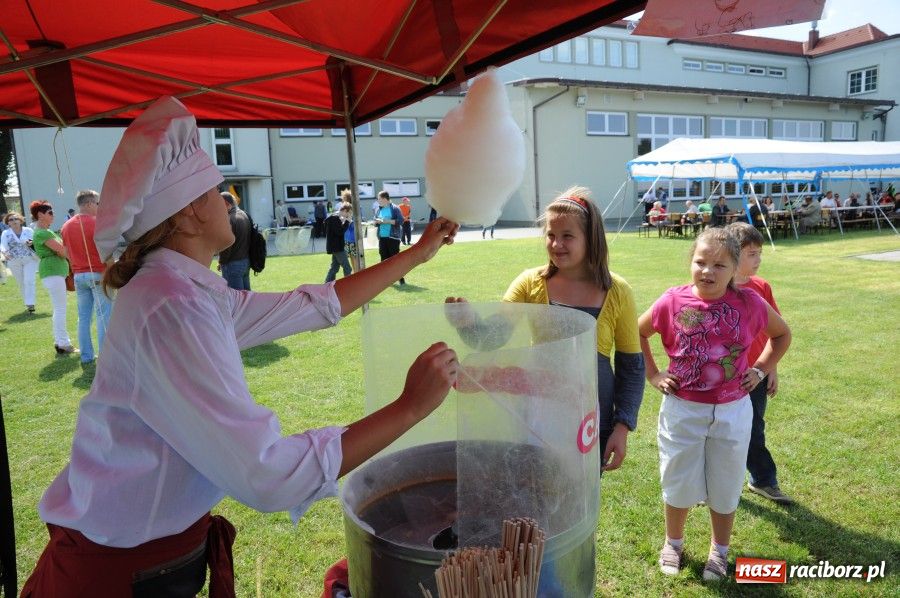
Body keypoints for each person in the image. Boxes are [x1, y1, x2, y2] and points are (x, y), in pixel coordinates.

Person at [21, 96, 460, 597]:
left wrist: (417, 254)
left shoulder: (181, 291)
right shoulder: (171, 307)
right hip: (118, 578)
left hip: (142, 563)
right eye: (214, 190)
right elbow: (266, 473)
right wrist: (409, 409)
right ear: (186, 214)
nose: (227, 198)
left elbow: (313, 304)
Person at [446, 187, 645, 474]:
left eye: (567, 236)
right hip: (536, 412)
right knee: (533, 482)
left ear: (591, 239)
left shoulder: (617, 291)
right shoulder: (530, 282)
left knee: (578, 491)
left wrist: (622, 426)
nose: (556, 244)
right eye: (551, 235)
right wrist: (467, 323)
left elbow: (632, 367)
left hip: (589, 417)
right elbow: (493, 336)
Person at [638, 228, 790, 582]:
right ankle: (673, 543)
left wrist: (761, 368)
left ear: (735, 268)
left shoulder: (751, 302)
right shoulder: (672, 302)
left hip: (733, 412)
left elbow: (782, 334)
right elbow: (639, 331)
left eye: (719, 265)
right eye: (700, 262)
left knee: (725, 483)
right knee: (677, 479)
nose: (707, 271)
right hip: (682, 411)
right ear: (690, 262)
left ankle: (719, 552)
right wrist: (653, 374)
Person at [727, 222, 793, 505]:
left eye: (759, 252)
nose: (758, 259)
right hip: (726, 375)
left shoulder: (761, 287)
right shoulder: (717, 286)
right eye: (751, 253)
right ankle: (709, 483)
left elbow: (775, 333)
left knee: (754, 427)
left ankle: (763, 480)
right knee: (718, 431)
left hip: (755, 375)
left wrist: (770, 369)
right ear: (731, 253)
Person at [60, 189, 113, 365]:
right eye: (98, 203)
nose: (100, 207)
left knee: (83, 317)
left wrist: (77, 266)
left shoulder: (66, 225)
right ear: (89, 203)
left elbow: (66, 252)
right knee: (103, 316)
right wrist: (113, 272)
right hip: (98, 273)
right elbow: (107, 252)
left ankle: (86, 356)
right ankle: (105, 357)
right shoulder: (98, 223)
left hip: (79, 275)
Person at [30, 200, 77, 355]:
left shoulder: (46, 231)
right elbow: (62, 251)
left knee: (59, 308)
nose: (53, 215)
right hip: (52, 272)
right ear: (40, 215)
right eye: (50, 212)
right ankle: (63, 343)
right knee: (60, 308)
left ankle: (60, 342)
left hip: (54, 272)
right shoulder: (43, 232)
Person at [1, 211, 39, 312]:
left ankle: (31, 303)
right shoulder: (6, 233)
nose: (14, 221)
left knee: (29, 281)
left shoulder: (28, 230)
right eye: (11, 220)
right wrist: (5, 252)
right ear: (8, 222)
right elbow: (3, 245)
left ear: (20, 220)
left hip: (29, 259)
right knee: (21, 282)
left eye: (16, 219)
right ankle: (27, 303)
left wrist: (32, 242)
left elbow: (37, 241)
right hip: (14, 261)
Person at [217, 191, 252, 291]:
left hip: (232, 264)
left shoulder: (229, 219)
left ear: (227, 204)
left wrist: (221, 262)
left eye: (220, 205)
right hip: (245, 262)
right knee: (246, 298)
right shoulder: (244, 215)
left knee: (235, 300)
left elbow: (226, 244)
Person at [375, 190, 405, 285]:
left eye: (379, 199)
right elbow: (375, 220)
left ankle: (401, 280)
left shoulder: (395, 208)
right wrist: (376, 222)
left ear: (385, 199)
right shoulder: (379, 209)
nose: (378, 201)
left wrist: (386, 221)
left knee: (394, 260)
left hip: (393, 238)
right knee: (384, 259)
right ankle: (386, 280)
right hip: (382, 238)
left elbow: (401, 221)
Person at [324, 202, 352, 282]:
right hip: (337, 248)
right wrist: (347, 222)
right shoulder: (334, 218)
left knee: (334, 268)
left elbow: (337, 231)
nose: (349, 216)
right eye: (349, 213)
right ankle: (348, 285)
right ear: (345, 211)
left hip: (336, 247)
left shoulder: (335, 218)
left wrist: (344, 222)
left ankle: (327, 285)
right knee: (347, 268)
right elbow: (339, 232)